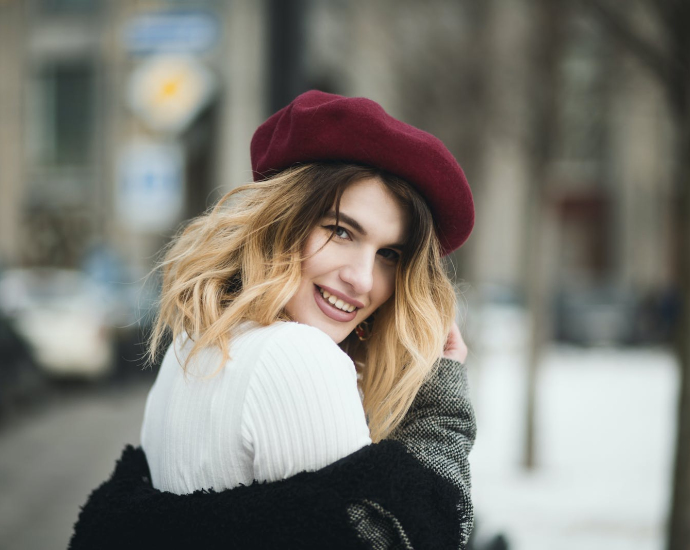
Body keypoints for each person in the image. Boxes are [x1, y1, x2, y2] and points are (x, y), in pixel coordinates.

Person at [69, 90, 477, 549]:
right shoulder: (298, 357)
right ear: (282, 221)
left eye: (389, 254)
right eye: (340, 231)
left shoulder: (192, 347)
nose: (362, 280)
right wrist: (441, 414)